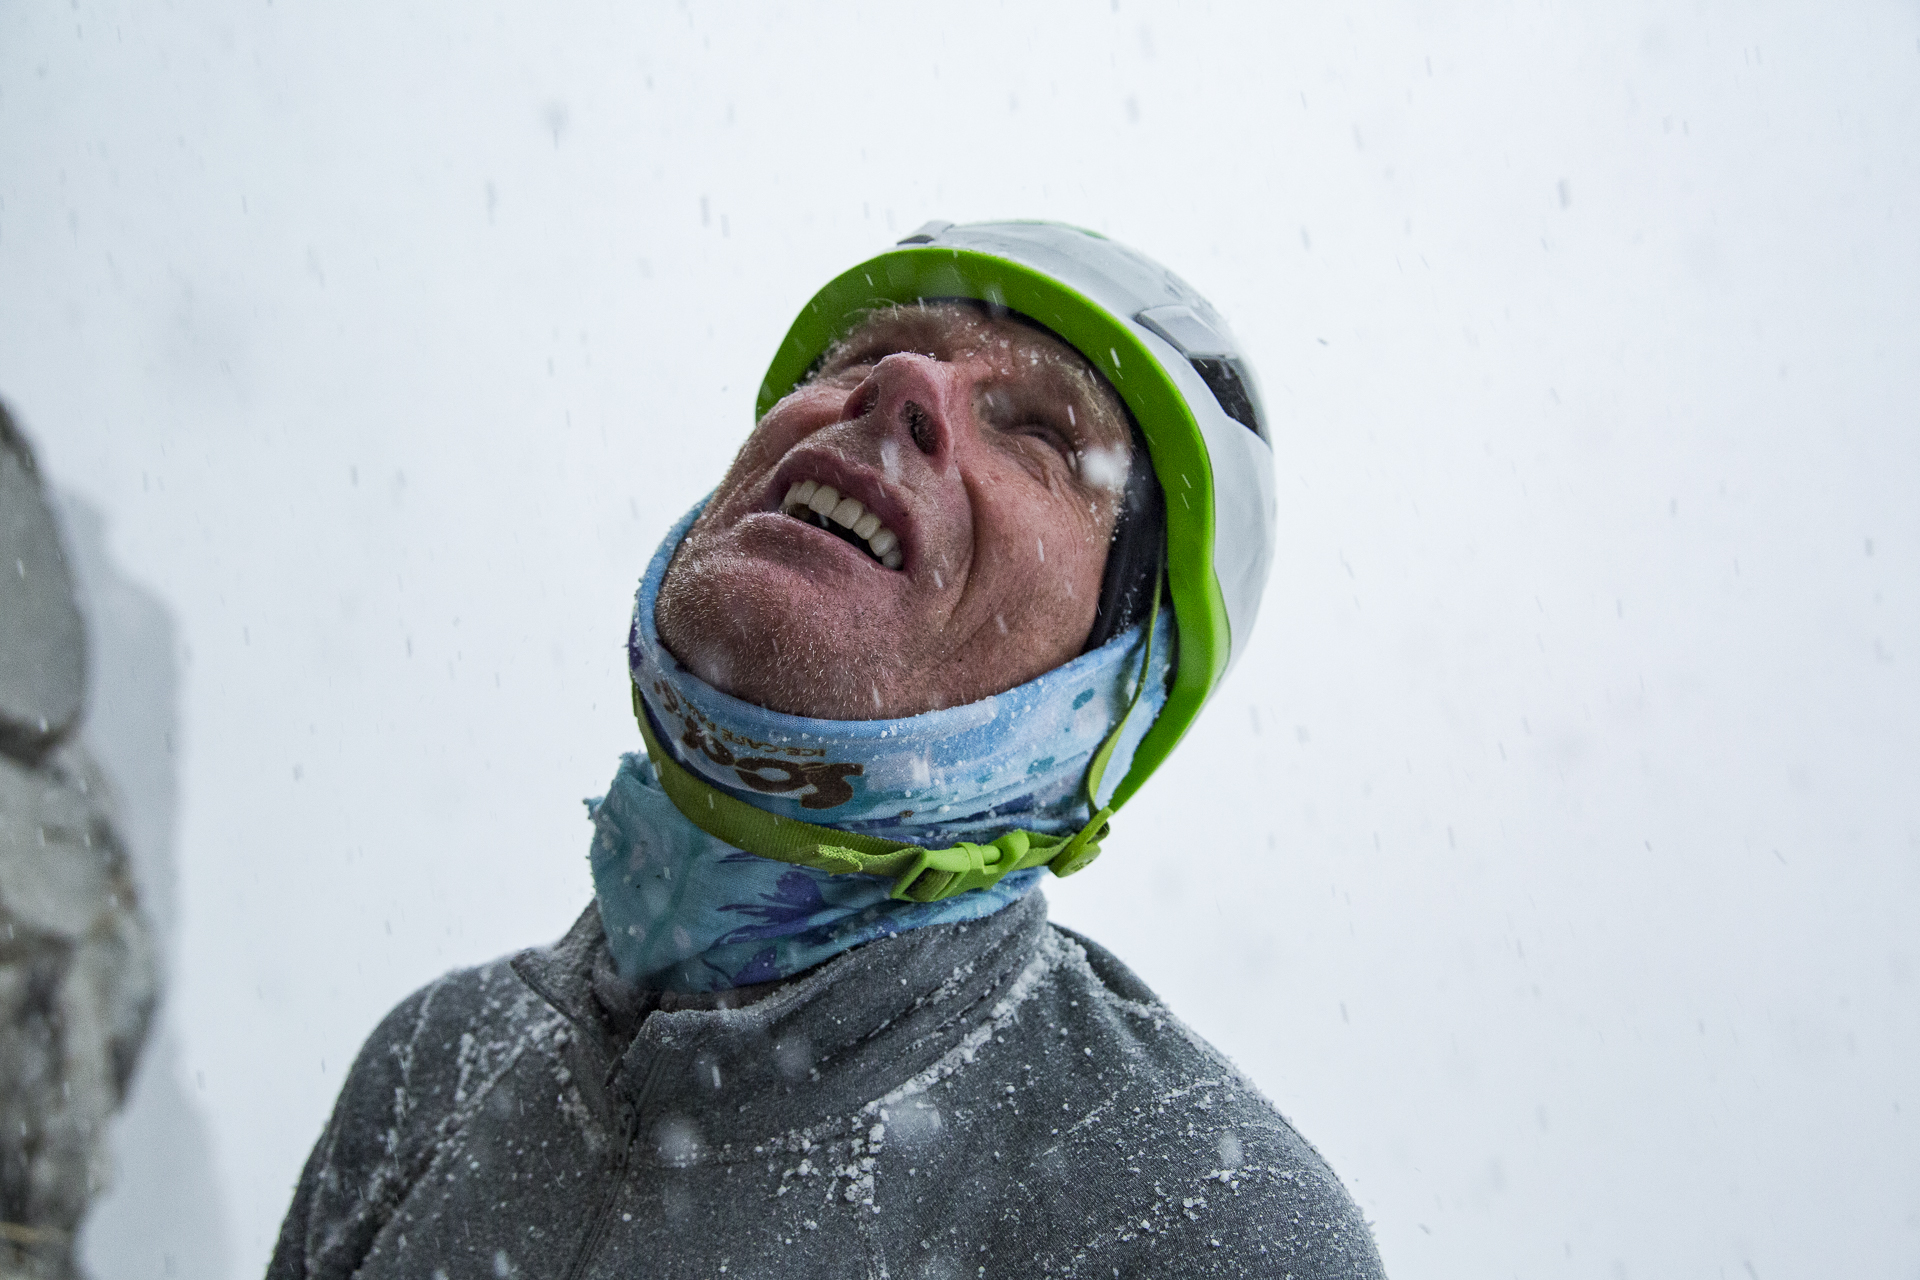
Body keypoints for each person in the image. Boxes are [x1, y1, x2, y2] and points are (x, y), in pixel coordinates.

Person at [266, 222, 1386, 1279]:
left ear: (1113, 692)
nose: (902, 387)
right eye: (868, 352)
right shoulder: (435, 1061)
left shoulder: (1193, 1222)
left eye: (1042, 431)